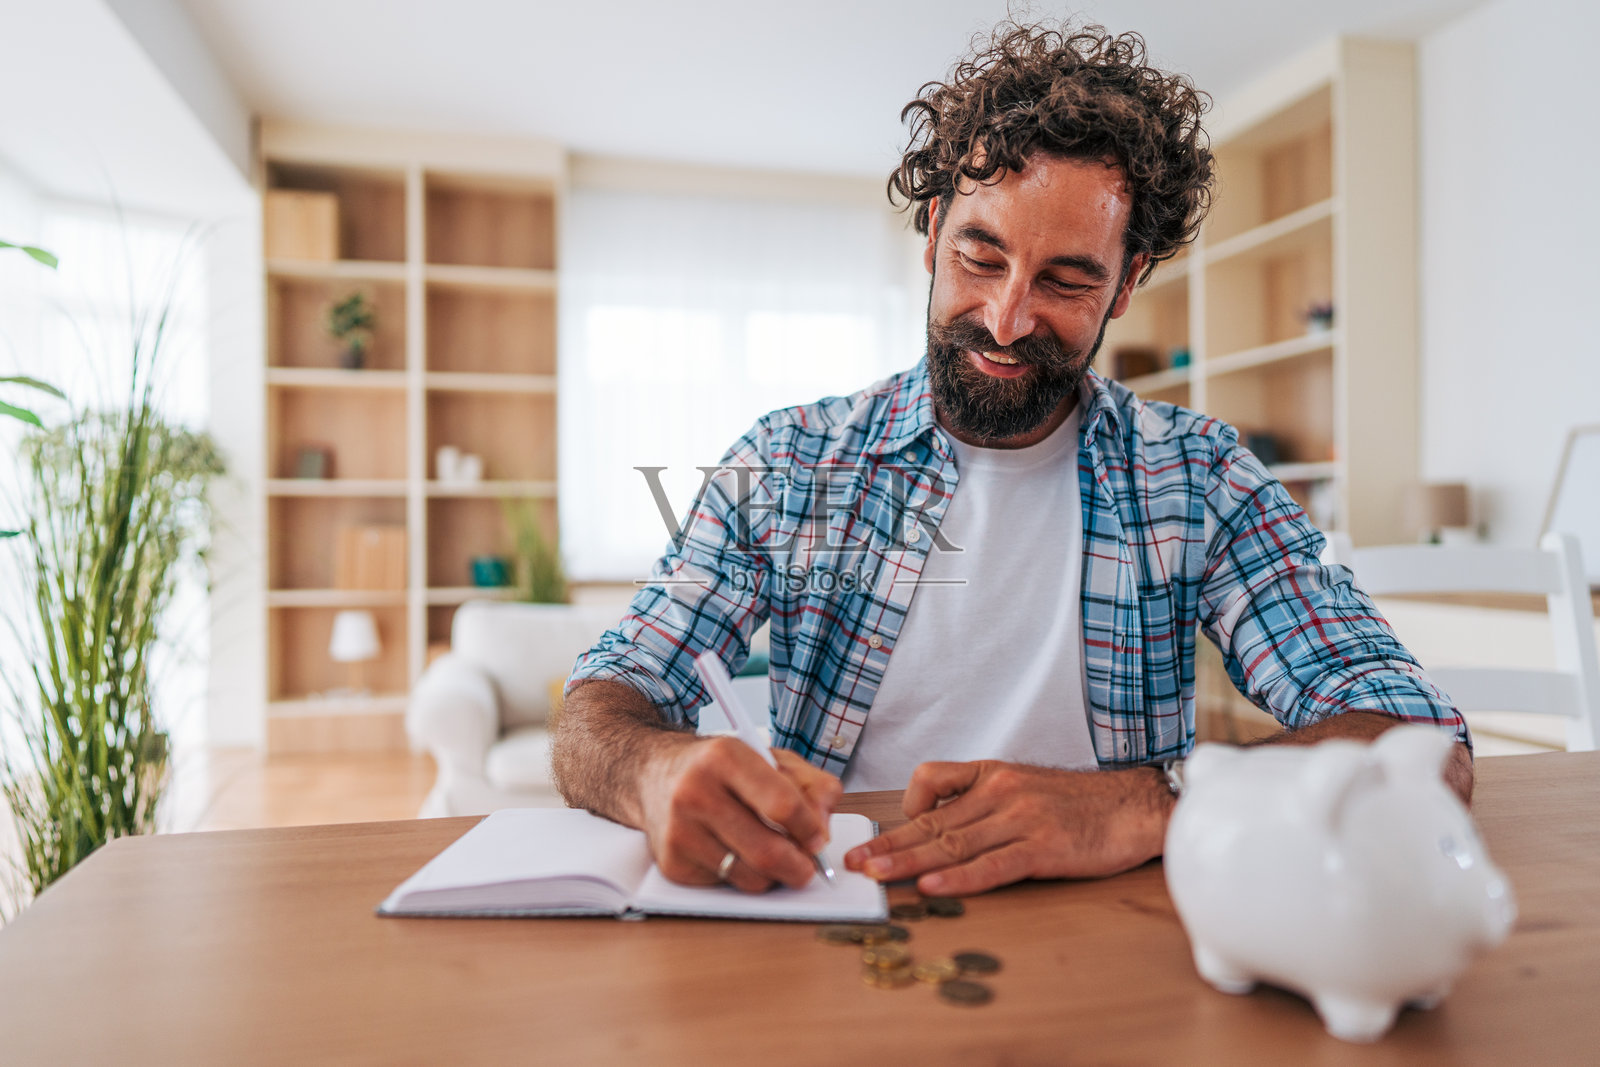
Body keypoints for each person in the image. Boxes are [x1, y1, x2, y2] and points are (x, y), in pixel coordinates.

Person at [551, 21, 1470, 899]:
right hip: (840, 913)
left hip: (1121, 933)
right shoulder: (793, 460)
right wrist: (651, 768)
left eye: (1066, 280)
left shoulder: (1199, 480)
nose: (1006, 319)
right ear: (933, 232)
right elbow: (605, 697)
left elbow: (1421, 735)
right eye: (980, 257)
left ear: (1127, 284)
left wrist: (1146, 802)